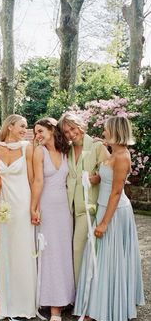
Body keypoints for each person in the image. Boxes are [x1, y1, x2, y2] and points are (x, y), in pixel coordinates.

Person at [74, 116, 145, 321]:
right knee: (99, 257)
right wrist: (92, 178)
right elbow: (106, 179)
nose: (103, 133)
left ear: (115, 131)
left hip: (114, 212)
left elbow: (115, 192)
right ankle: (97, 305)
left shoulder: (123, 156)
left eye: (105, 130)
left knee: (109, 258)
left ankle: (111, 307)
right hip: (104, 208)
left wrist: (104, 223)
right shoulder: (113, 153)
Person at [31, 117, 75, 321]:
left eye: (40, 131)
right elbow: (37, 181)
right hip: (47, 206)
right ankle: (53, 304)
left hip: (65, 208)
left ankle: (67, 297)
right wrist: (34, 207)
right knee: (49, 252)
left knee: (64, 251)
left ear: (51, 129)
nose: (37, 136)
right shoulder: (39, 152)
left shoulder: (67, 151)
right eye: (35, 133)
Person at [58, 112, 110, 286]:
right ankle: (72, 293)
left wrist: (98, 178)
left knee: (78, 248)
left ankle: (84, 296)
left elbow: (110, 173)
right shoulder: (68, 149)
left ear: (80, 126)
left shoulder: (96, 146)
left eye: (72, 129)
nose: (71, 134)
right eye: (66, 132)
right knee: (68, 250)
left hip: (89, 207)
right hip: (68, 207)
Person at [0, 114, 37, 321]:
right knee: (6, 251)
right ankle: (6, 304)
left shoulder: (26, 147)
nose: (24, 129)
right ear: (10, 126)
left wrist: (33, 207)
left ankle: (25, 304)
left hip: (22, 203)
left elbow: (31, 179)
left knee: (23, 249)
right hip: (4, 205)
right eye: (21, 126)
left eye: (25, 127)